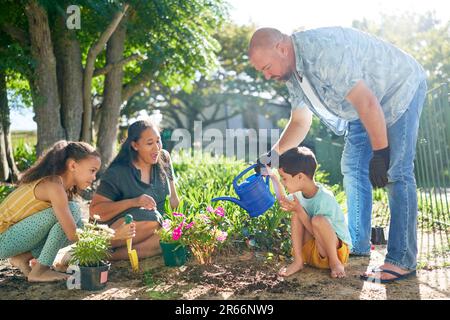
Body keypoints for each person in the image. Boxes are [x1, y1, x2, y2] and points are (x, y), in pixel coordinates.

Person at [249, 27, 427, 283]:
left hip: (398, 88)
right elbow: (300, 121)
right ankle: (357, 243)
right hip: (361, 106)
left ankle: (402, 259)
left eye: (266, 67)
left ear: (281, 48)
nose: (266, 75)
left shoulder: (322, 51)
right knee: (353, 167)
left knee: (396, 171)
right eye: (261, 71)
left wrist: (380, 152)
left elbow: (367, 102)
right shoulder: (293, 74)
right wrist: (273, 155)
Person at [0, 141, 135, 282]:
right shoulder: (53, 186)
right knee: (73, 211)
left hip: (11, 240)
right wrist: (115, 235)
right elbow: (72, 234)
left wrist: (110, 232)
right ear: (72, 165)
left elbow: (76, 229)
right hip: (3, 241)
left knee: (75, 221)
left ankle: (23, 258)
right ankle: (40, 271)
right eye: (92, 170)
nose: (94, 178)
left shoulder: (58, 186)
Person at [90, 119, 180, 261]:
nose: (156, 148)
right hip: (115, 231)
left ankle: (107, 256)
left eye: (158, 141)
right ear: (135, 145)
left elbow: (174, 200)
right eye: (150, 143)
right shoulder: (118, 172)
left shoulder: (163, 158)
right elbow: (95, 210)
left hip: (152, 230)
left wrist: (179, 224)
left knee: (168, 237)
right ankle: (100, 248)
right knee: (151, 218)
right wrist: (134, 202)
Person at [266, 146, 352, 278]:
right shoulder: (299, 194)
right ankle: (298, 261)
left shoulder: (324, 198)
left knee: (317, 219)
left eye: (284, 178)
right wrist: (273, 178)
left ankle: (335, 263)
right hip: (314, 252)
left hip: (334, 251)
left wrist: (300, 210)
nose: (283, 182)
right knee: (296, 214)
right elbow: (283, 201)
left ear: (300, 177)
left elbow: (316, 230)